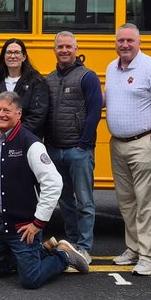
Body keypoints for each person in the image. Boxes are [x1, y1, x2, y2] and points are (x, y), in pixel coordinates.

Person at [0, 91, 89, 288]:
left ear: (18, 114)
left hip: (22, 227)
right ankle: (43, 250)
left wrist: (37, 223)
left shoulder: (30, 143)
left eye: (7, 110)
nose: (1, 114)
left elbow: (54, 182)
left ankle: (63, 255)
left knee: (30, 280)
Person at [105, 23, 151, 277]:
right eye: (120, 40)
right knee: (126, 201)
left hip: (145, 142)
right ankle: (133, 248)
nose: (124, 45)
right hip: (118, 143)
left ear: (139, 42)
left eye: (129, 41)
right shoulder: (112, 68)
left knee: (147, 202)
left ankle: (147, 256)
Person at [44, 31, 102, 264]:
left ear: (76, 49)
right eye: (60, 47)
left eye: (69, 46)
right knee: (65, 200)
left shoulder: (87, 76)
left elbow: (94, 112)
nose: (64, 50)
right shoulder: (48, 79)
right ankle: (73, 241)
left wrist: (84, 144)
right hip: (54, 150)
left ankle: (85, 247)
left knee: (85, 201)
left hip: (78, 151)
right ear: (54, 50)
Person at [0, 38, 49, 140]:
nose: (12, 56)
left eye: (17, 52)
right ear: (4, 57)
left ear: (24, 57)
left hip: (25, 141)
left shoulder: (37, 83)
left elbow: (37, 115)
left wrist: (13, 136)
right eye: (9, 52)